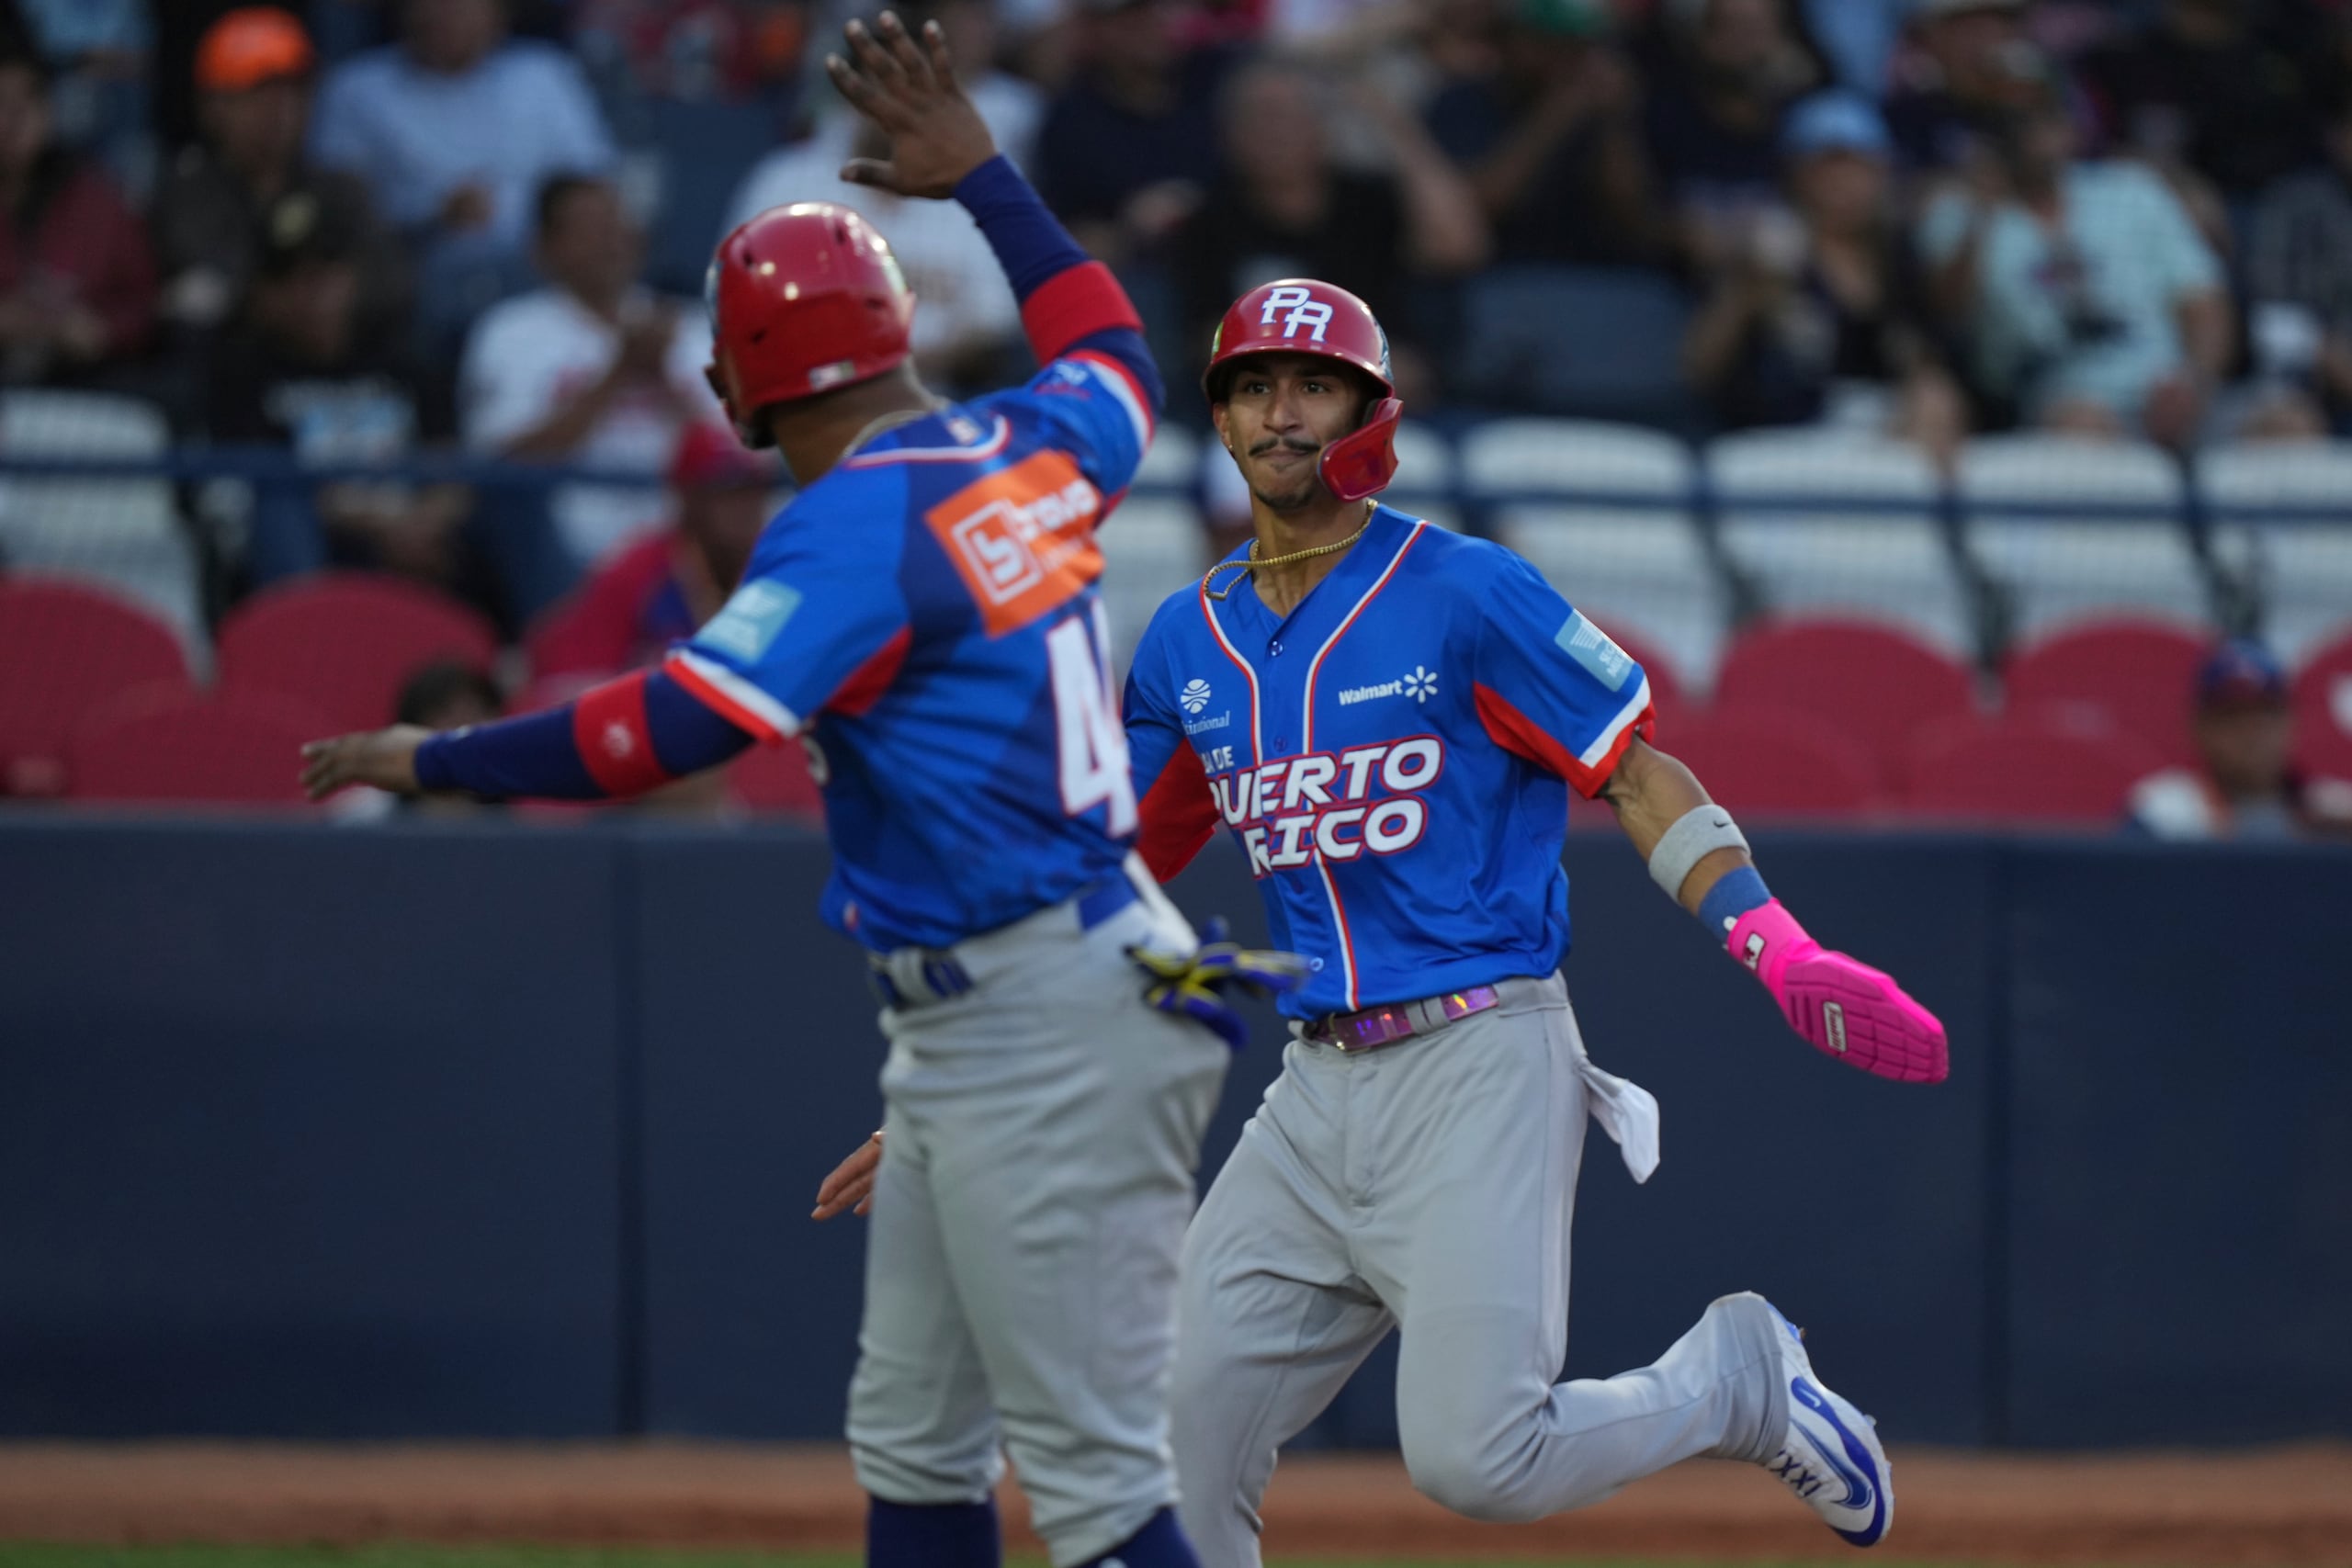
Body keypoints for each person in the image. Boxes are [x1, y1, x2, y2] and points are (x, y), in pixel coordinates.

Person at [301, 16, 1295, 1567]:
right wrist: (988, 183)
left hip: (1046, 1000)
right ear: (894, 333)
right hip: (1028, 998)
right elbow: (1113, 355)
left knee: (1098, 1489)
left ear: (728, 385)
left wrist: (440, 757)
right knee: (916, 1446)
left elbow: (670, 733)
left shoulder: (847, 530)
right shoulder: (1028, 446)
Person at [818, 279, 1952, 1563]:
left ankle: (1739, 1380)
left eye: (1310, 382)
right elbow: (1101, 871)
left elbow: (1635, 769)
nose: (1278, 409)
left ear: (1370, 410)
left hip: (1478, 1061)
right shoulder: (1189, 640)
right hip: (1315, 1089)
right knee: (1158, 1457)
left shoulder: (1465, 589)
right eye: (1251, 384)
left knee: (1480, 1458)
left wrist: (1776, 942)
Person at [1917, 75, 2230, 447]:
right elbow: (1948, 318)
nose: (2031, 133)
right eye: (2012, 121)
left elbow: (2204, 303)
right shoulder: (1956, 214)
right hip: (2053, 399)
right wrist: (1983, 212)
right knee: (2081, 426)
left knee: (2286, 422)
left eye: (2044, 115)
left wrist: (2195, 384)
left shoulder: (2131, 189)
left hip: (2171, 388)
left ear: (2070, 126)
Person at [1171, 56, 1487, 413]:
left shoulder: (1370, 201)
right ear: (1228, 133)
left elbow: (1459, 246)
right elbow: (1207, 341)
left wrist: (1394, 125)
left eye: (1285, 116)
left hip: (1383, 407)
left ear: (1322, 125)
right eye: (1255, 117)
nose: (1271, 132)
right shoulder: (1209, 218)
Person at [309, 0, 616, 335]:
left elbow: (592, 184)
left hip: (543, 274)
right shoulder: (357, 89)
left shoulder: (542, 75)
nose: (446, 14)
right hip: (414, 277)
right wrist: (431, 216)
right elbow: (334, 213)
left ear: (498, 14)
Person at [460, 174, 720, 568]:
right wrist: (617, 375)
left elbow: (736, 463)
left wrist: (663, 380)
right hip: (570, 553)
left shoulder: (689, 329)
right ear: (543, 248)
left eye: (617, 223)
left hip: (693, 549)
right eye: (589, 228)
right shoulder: (510, 332)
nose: (610, 239)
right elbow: (504, 466)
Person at [1682, 89, 1963, 454]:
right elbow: (1697, 369)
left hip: (1883, 430)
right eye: (1828, 166)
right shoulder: (1767, 248)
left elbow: (1926, 355)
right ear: (1796, 173)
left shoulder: (1898, 259)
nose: (1844, 183)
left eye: (1859, 167)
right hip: (1787, 435)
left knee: (1935, 397)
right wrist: (1743, 294)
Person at [152, 7, 406, 349]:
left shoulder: (338, 187)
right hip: (225, 377)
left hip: (340, 379)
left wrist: (346, 291)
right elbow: (205, 284)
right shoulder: (186, 190)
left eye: (294, 90)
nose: (279, 109)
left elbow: (396, 276)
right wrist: (286, 302)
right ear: (212, 107)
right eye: (259, 92)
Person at [526, 421, 781, 688]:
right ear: (688, 496)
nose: (745, 506)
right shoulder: (641, 570)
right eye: (726, 491)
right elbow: (564, 682)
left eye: (753, 489)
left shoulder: (778, 570)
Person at [1421, 0, 1666, 270]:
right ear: (1512, 38)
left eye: (1579, 46)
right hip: (1501, 276)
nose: (1567, 59)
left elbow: (1636, 219)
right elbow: (1480, 205)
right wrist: (1561, 109)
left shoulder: (1606, 106)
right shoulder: (1462, 101)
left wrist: (1615, 123)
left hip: (1601, 276)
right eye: (1552, 43)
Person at [0, 41, 152, 386]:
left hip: (80, 387)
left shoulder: (96, 199)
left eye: (26, 101)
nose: (11, 120)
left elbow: (143, 306)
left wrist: (100, 329)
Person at [2125, 640, 2352, 842]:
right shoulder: (2166, 813)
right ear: (2200, 727)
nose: (2250, 731)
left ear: (2290, 722)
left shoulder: (2332, 810)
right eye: (2232, 716)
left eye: (2265, 714)